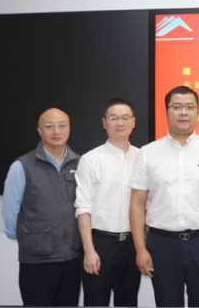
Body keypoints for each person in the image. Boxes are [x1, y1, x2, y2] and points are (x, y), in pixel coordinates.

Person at [129, 86, 199, 308]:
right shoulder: (148, 152)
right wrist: (140, 248)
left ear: (198, 112)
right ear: (166, 112)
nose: (183, 112)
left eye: (189, 107)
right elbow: (137, 203)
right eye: (177, 107)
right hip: (161, 244)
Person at [1, 108, 82, 306]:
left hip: (73, 258)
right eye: (49, 126)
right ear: (39, 130)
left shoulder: (81, 164)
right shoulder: (21, 166)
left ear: (69, 129)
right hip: (37, 260)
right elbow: (10, 209)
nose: (56, 131)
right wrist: (25, 237)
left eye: (62, 125)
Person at [74, 98, 141, 306]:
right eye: (113, 118)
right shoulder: (90, 159)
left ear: (133, 122)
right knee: (96, 302)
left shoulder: (143, 158)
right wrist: (89, 250)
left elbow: (148, 205)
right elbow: (83, 208)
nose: (119, 123)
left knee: (128, 302)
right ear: (104, 123)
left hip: (133, 244)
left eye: (125, 118)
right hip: (100, 244)